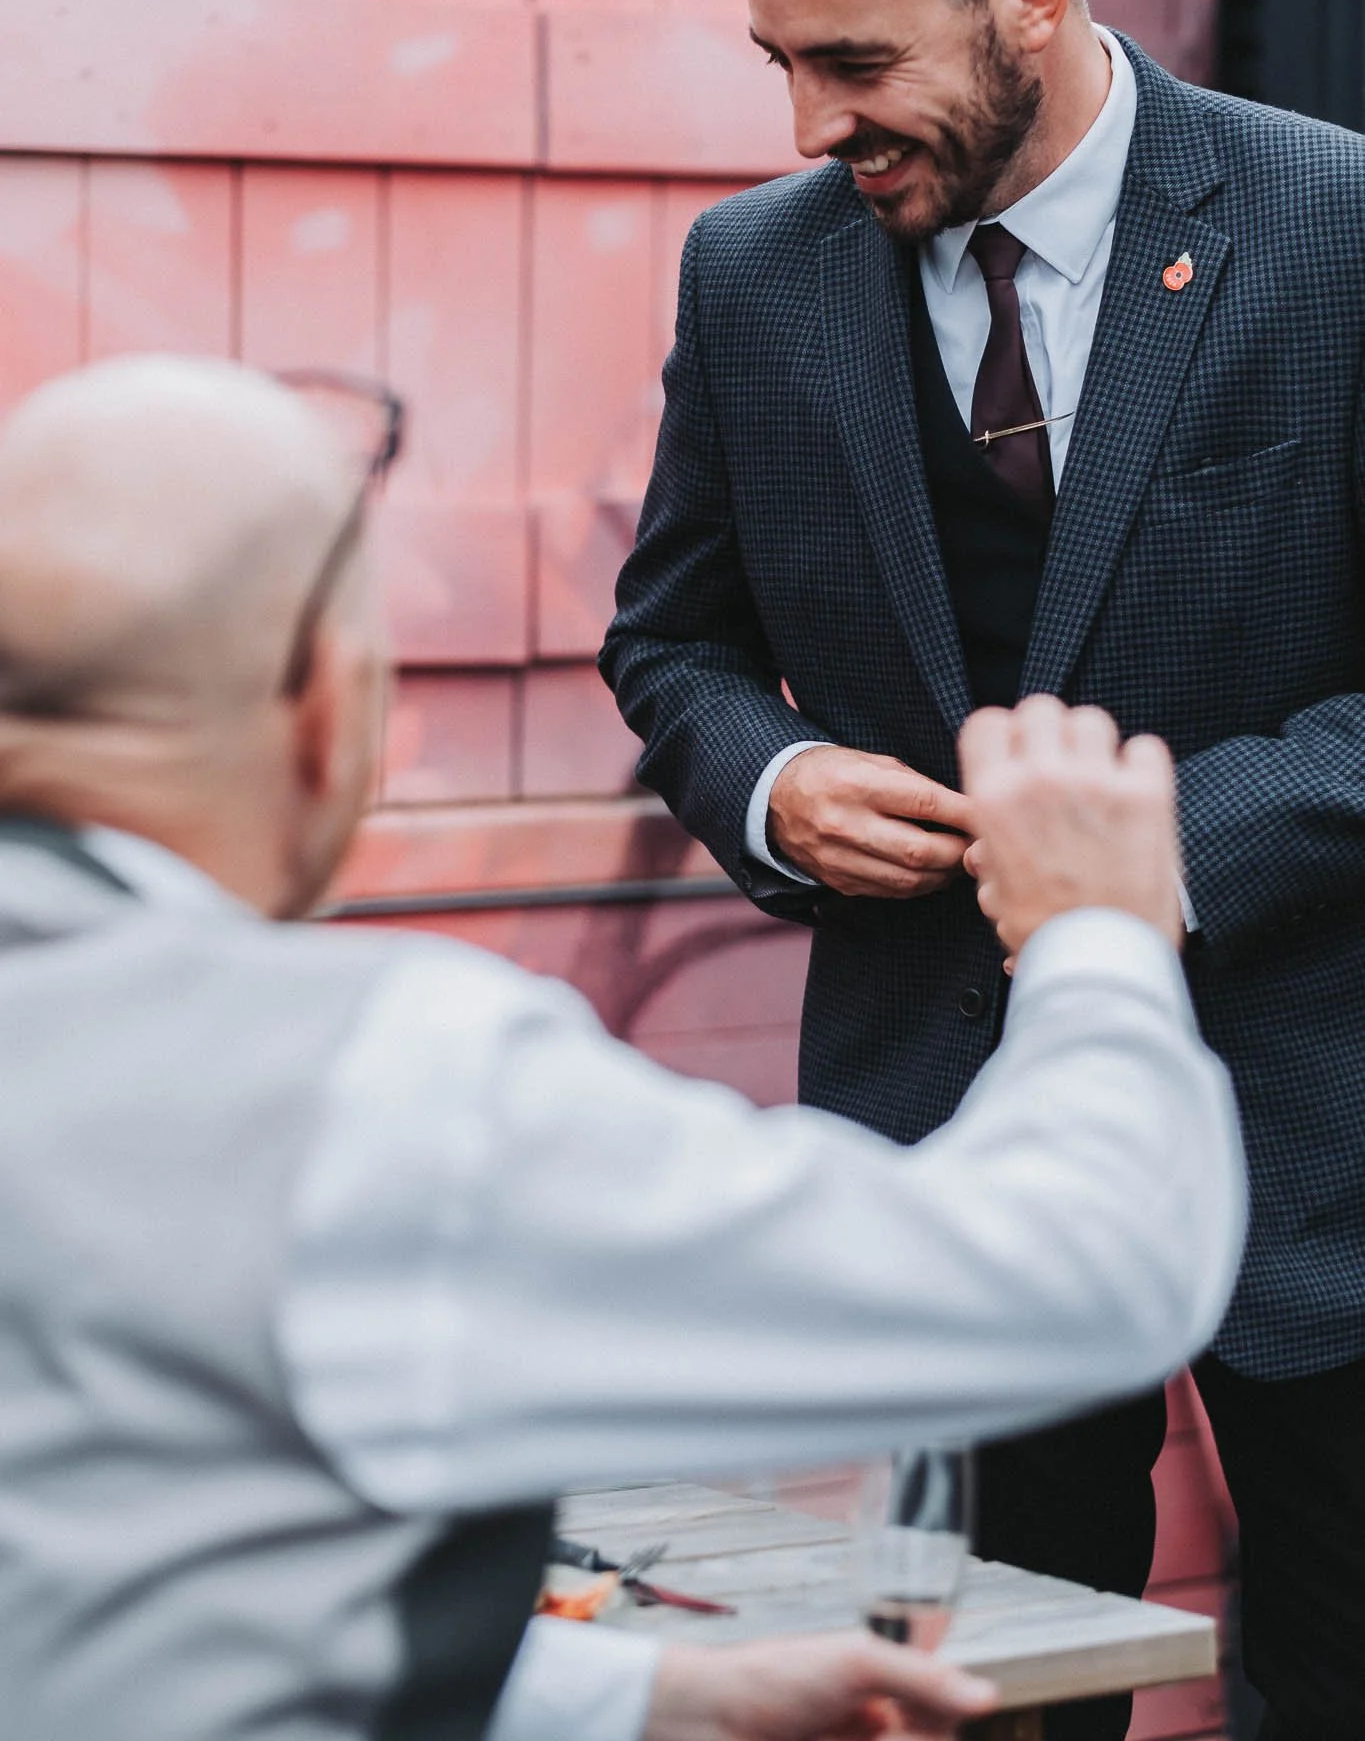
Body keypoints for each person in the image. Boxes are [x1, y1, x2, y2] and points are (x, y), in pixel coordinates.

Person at [0, 353, 1243, 1741]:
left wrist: (636, 1697)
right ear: (330, 705)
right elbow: (1083, 1274)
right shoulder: (368, 1092)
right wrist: (1098, 931)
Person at [599, 0, 1365, 1741]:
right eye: (776, 57)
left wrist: (1124, 865)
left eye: (851, 57)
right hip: (944, 1149)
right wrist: (765, 783)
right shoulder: (751, 274)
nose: (804, 119)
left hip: (1321, 1129)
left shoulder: (1339, 228)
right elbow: (673, 635)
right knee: (975, 1712)